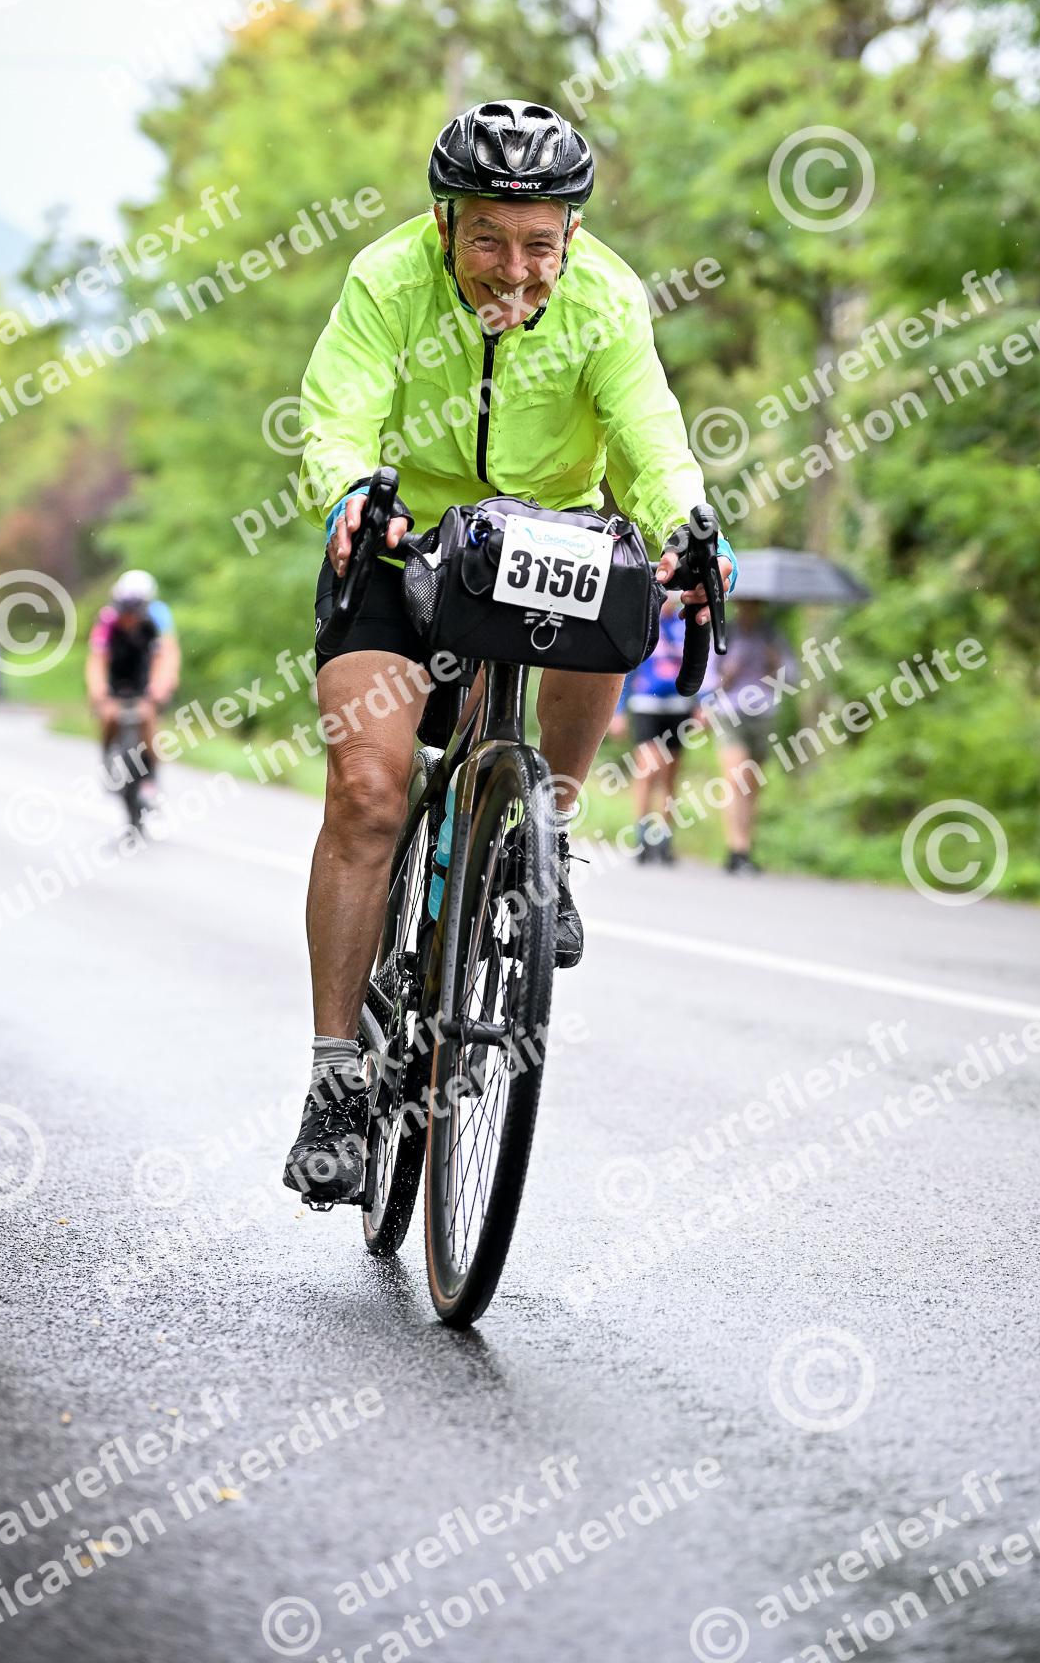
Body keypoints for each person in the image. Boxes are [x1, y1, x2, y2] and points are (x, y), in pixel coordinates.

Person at [283, 97, 737, 1204]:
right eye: (487, 238)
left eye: (540, 242)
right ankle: (335, 1079)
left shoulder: (606, 298)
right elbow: (336, 413)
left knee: (623, 586)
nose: (515, 270)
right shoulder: (388, 279)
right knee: (370, 794)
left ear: (573, 232)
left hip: (548, 537)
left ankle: (546, 834)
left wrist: (687, 522)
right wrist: (348, 492)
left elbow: (649, 435)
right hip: (405, 538)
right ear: (445, 223)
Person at [610, 596, 702, 863]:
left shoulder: (686, 625)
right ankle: (641, 835)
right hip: (646, 704)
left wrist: (703, 703)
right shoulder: (645, 624)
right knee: (647, 768)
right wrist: (618, 711)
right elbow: (628, 670)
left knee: (670, 774)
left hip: (679, 705)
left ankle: (663, 839)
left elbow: (700, 666)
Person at [708, 599, 797, 874]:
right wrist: (727, 675)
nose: (749, 609)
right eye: (745, 604)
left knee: (752, 784)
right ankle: (735, 848)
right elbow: (707, 679)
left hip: (763, 714)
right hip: (729, 713)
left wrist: (775, 662)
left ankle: (746, 847)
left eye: (754, 605)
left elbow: (792, 677)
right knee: (736, 778)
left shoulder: (771, 635)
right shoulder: (725, 633)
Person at [86, 571, 180, 803]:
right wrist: (98, 688)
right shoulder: (107, 619)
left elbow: (166, 655)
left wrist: (161, 685)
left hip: (144, 676)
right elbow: (97, 658)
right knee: (109, 716)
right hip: (116, 675)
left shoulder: (158, 617)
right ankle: (108, 756)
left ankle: (151, 777)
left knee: (147, 718)